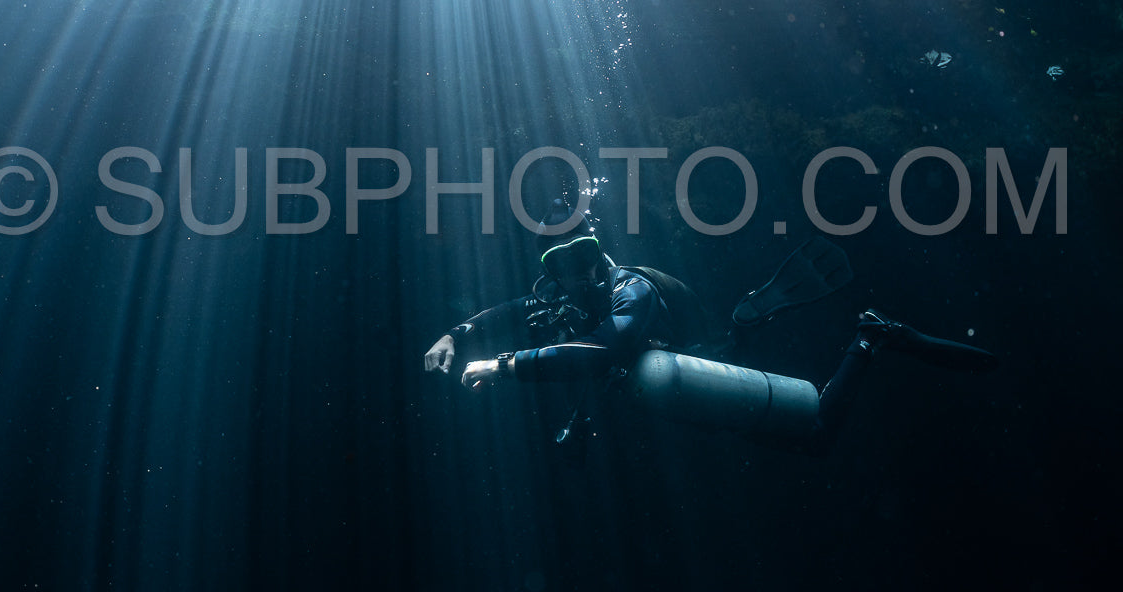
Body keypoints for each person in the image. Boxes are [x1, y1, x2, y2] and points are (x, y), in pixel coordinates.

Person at [423, 200, 997, 455]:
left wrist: (505, 365)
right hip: (661, 384)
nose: (576, 276)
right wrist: (460, 332)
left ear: (600, 252)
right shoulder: (561, 291)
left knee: (816, 434)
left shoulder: (632, 290)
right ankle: (746, 320)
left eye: (584, 257)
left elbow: (606, 349)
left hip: (692, 359)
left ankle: (871, 336)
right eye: (561, 265)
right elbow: (512, 310)